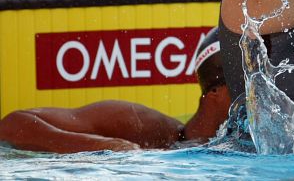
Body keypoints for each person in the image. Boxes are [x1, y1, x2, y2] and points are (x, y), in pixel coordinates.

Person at [0, 28, 230, 153]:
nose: (247, 92)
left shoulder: (245, 141)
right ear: (215, 92)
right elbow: (13, 124)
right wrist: (102, 147)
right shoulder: (144, 128)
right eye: (245, 81)